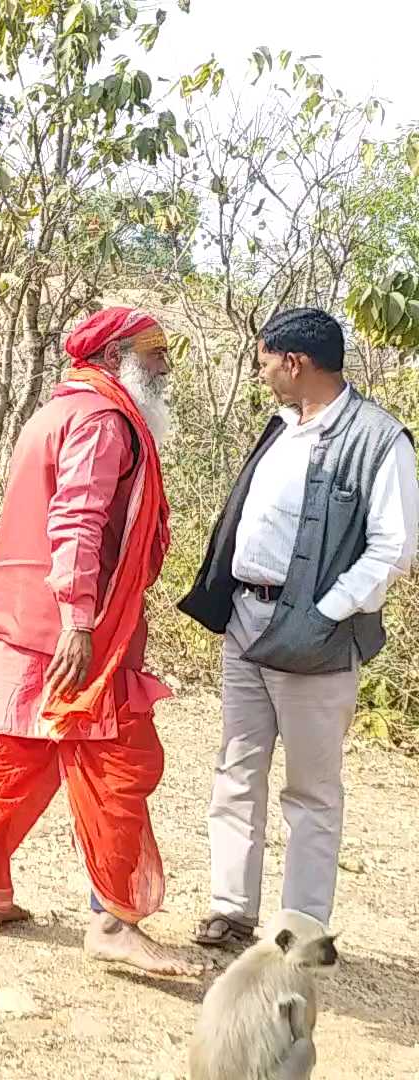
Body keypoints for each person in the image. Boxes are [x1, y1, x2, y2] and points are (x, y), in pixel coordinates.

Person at [0, 305, 202, 977]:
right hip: (74, 631)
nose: (164, 364)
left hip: (19, 616)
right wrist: (79, 621)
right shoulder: (102, 419)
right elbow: (78, 520)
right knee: (117, 765)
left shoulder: (57, 411)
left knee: (8, 754)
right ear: (112, 355)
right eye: (152, 351)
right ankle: (114, 921)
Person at [177, 307, 418, 948]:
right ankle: (232, 910)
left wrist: (325, 612)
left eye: (264, 362)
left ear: (295, 363)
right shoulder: (282, 427)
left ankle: (302, 929)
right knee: (237, 768)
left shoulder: (379, 439)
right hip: (247, 622)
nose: (261, 374)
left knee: (311, 789)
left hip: (319, 636)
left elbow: (394, 549)